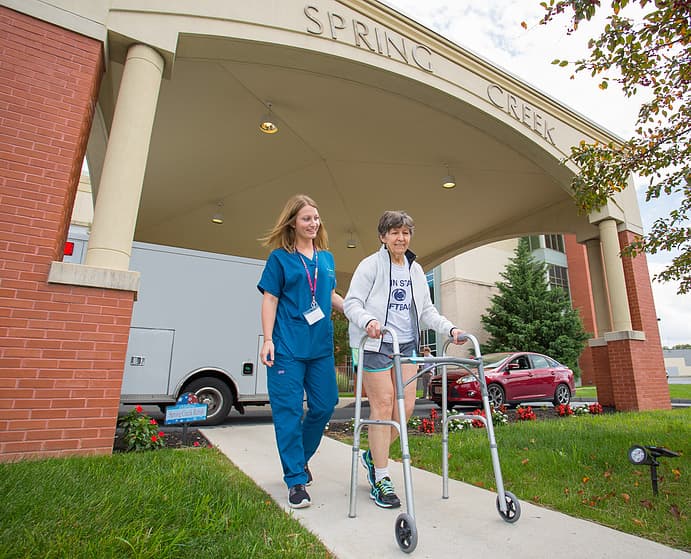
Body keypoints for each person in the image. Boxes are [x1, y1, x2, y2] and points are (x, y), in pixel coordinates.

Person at [344, 210, 465, 509]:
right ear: (383, 237)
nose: (401, 237)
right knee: (383, 406)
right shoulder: (370, 265)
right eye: (395, 232)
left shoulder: (415, 270)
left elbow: (426, 311)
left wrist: (450, 329)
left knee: (406, 408)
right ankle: (382, 477)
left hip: (406, 344)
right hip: (375, 343)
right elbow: (352, 302)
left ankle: (373, 456)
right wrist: (368, 321)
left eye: (406, 232)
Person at [257, 194, 344, 509]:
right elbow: (270, 299)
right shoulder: (279, 259)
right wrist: (268, 339)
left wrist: (360, 315)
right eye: (307, 218)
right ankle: (295, 480)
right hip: (287, 348)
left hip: (319, 347)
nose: (313, 223)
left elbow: (330, 295)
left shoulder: (327, 259)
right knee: (289, 413)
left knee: (325, 405)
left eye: (316, 218)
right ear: (292, 221)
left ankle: (299, 459)